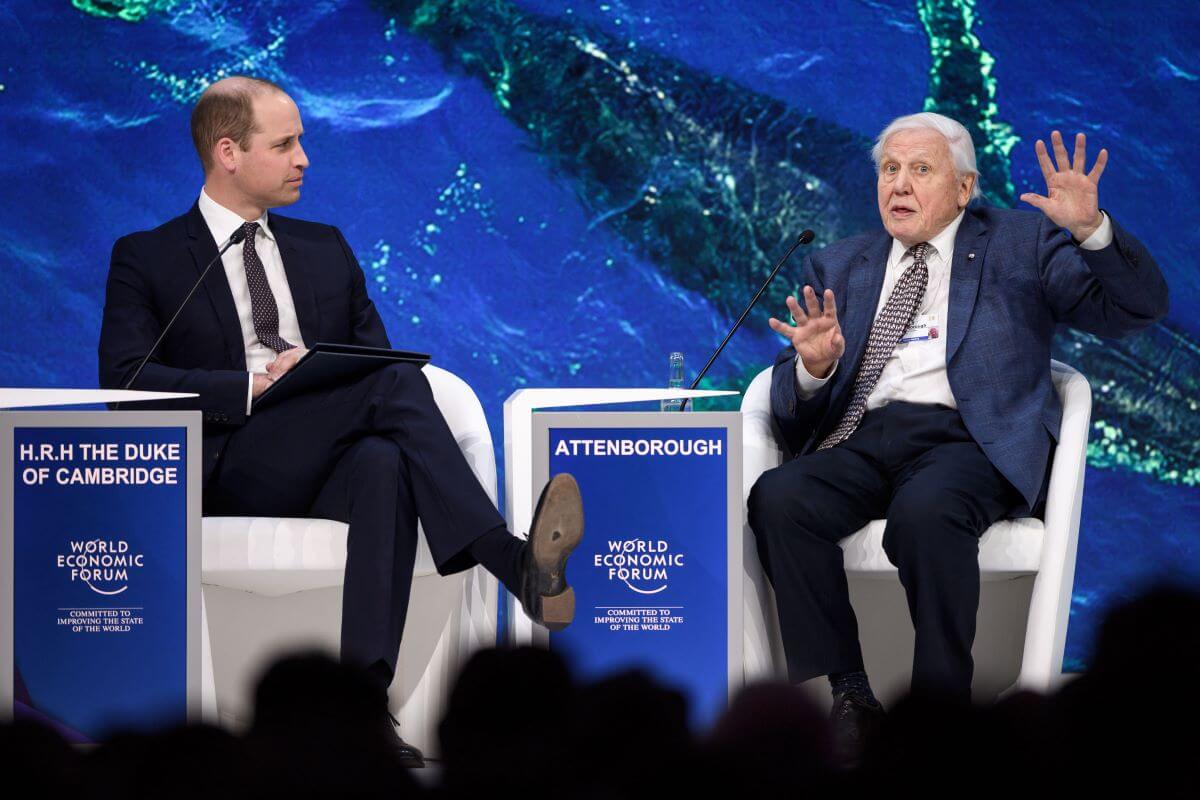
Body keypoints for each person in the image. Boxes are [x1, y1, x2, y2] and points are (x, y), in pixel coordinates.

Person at [97, 76, 584, 766]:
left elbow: (381, 367)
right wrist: (250, 382)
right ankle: (507, 558)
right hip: (230, 462)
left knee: (383, 462)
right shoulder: (146, 257)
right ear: (228, 153)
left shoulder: (323, 245)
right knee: (390, 391)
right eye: (287, 143)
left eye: (303, 142)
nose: (305, 159)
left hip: (329, 456)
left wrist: (314, 373)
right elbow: (124, 381)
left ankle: (363, 714)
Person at [747, 112, 1167, 754]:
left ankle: (940, 714)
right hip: (863, 438)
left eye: (920, 170)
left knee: (926, 512)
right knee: (779, 497)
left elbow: (1136, 309)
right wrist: (814, 369)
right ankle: (851, 693)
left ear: (965, 188)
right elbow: (787, 408)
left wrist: (1090, 232)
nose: (899, 185)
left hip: (968, 442)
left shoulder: (1021, 243)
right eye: (890, 170)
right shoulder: (841, 263)